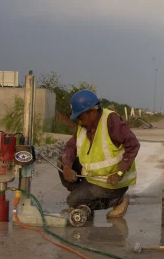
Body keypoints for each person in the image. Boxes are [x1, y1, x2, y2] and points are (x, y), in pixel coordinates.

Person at [58, 89, 140, 218]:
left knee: (72, 201)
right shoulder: (84, 125)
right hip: (93, 178)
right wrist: (67, 167)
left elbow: (133, 145)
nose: (79, 122)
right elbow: (70, 147)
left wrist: (119, 173)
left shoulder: (111, 121)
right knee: (61, 161)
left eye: (80, 118)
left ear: (92, 112)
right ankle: (84, 198)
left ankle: (118, 200)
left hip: (112, 182)